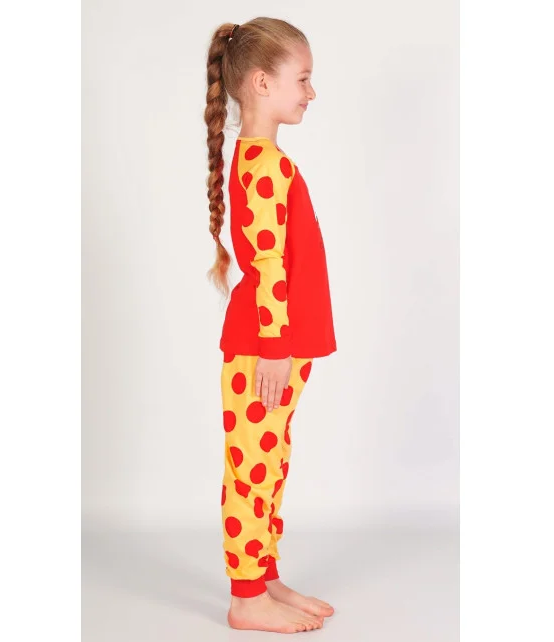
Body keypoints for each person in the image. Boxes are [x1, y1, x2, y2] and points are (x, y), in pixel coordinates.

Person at [204, 17, 337, 634]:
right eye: (302, 79)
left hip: (279, 345)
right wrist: (277, 348)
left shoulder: (267, 162)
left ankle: (264, 577)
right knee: (251, 468)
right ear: (262, 82)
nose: (311, 92)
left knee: (271, 462)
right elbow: (268, 267)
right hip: (265, 348)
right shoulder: (262, 166)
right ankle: (245, 598)